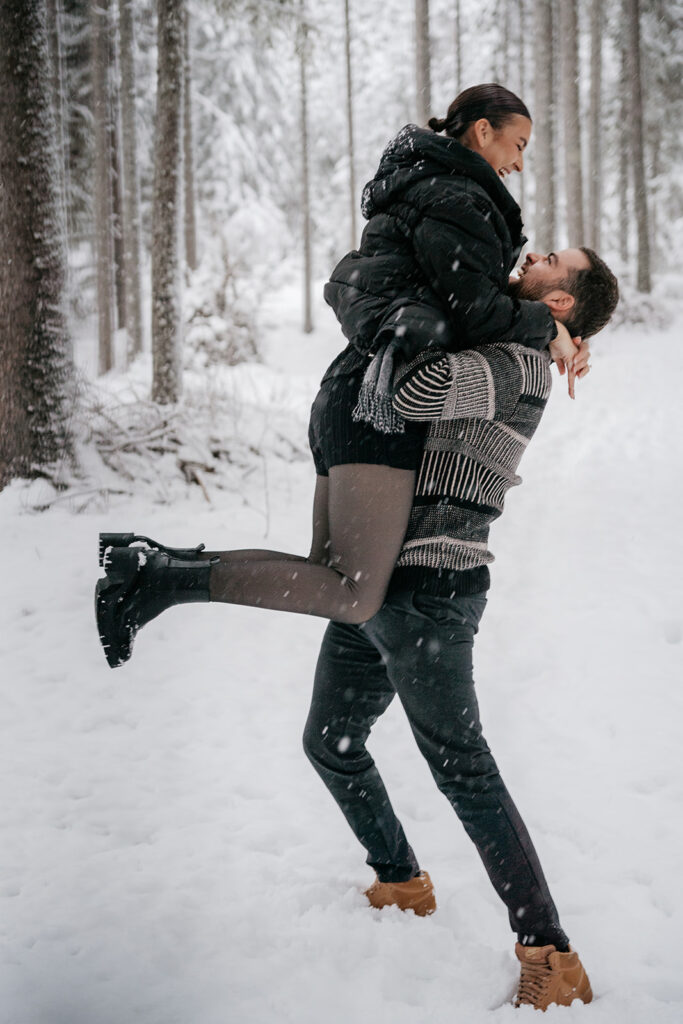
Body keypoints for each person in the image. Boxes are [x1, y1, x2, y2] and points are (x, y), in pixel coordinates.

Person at [96, 84, 587, 668]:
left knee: (325, 572)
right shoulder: (461, 197)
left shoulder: (428, 184)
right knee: (353, 595)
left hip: (351, 388)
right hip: (379, 403)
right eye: (518, 144)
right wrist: (547, 325)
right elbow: (474, 310)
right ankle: (156, 577)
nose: (519, 163)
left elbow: (460, 292)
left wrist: (559, 329)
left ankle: (155, 569)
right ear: (484, 131)